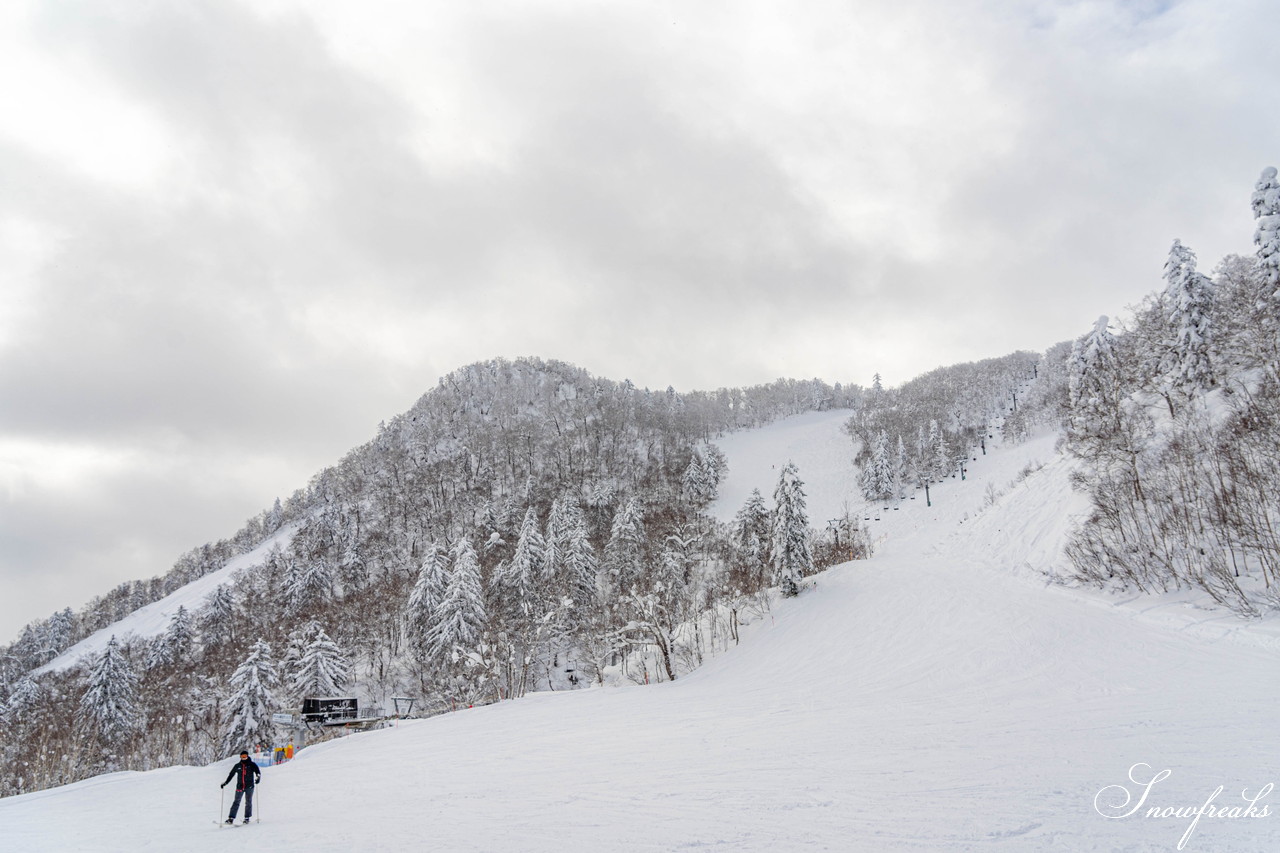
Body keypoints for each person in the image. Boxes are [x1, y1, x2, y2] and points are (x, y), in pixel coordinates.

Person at [221, 750, 261, 824]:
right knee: (236, 802)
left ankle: (247, 818)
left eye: (245, 756)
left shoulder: (252, 764)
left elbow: (258, 772)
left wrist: (258, 778)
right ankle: (231, 818)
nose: (244, 758)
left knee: (248, 802)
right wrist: (225, 783)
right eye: (242, 756)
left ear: (247, 756)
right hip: (240, 787)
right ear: (240, 757)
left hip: (249, 787)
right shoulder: (237, 766)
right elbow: (231, 775)